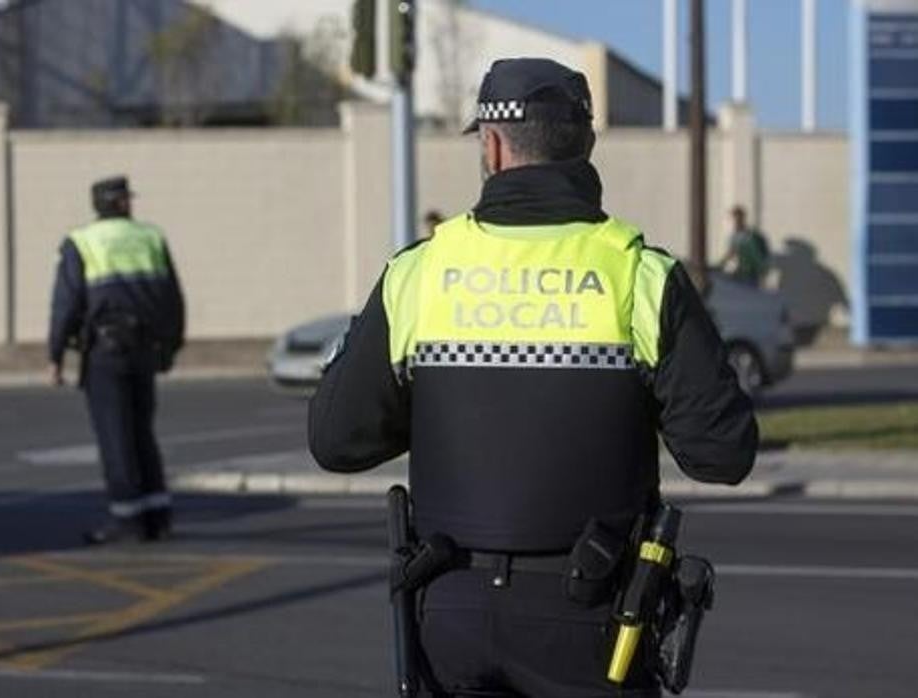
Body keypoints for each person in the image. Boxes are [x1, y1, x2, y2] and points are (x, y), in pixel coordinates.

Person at [308, 58, 757, 697]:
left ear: (490, 146)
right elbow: (723, 455)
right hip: (596, 619)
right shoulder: (642, 276)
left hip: (449, 613)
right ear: (587, 145)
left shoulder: (419, 272)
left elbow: (336, 441)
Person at [48, 176, 185, 545]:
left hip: (105, 352)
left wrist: (56, 356)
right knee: (142, 433)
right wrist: (170, 348)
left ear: (97, 205)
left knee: (116, 436)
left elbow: (66, 304)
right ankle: (158, 515)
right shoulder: (151, 238)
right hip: (144, 350)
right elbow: (173, 298)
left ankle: (127, 519)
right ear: (124, 203)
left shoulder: (82, 242)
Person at [719, 205, 771, 286]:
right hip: (742, 272)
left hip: (751, 274)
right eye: (733, 219)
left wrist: (762, 272)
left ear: (743, 219)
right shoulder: (735, 236)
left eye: (737, 219)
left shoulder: (751, 236)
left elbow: (758, 257)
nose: (735, 222)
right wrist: (719, 265)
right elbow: (731, 253)